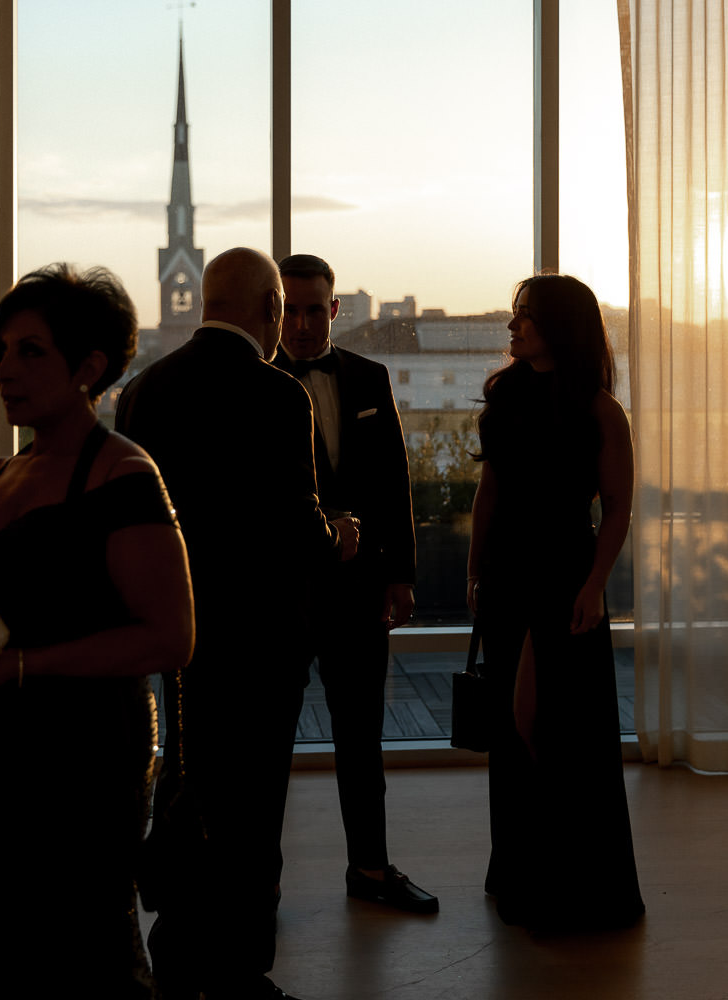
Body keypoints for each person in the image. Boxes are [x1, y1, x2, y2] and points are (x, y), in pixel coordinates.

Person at [0, 264, 194, 998]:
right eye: (2, 348)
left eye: (29, 352)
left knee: (88, 946)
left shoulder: (122, 475)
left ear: (90, 368)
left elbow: (170, 638)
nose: (4, 369)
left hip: (84, 750)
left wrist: (19, 666)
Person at [116, 247, 358, 1000]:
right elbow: (296, 527)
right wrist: (339, 537)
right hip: (261, 639)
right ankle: (240, 970)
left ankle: (177, 949)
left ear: (201, 302)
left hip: (181, 633)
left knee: (186, 787)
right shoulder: (279, 395)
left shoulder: (143, 392)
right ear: (272, 311)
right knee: (252, 810)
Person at [465, 272, 645, 931]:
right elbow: (491, 491)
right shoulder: (506, 396)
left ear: (560, 327)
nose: (513, 327)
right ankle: (524, 871)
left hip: (565, 574)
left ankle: (565, 882)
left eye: (527, 317)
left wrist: (595, 584)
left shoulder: (599, 410)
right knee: (521, 734)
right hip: (512, 571)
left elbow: (620, 507)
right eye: (515, 317)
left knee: (547, 725)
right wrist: (475, 566)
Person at [273, 253, 437, 914]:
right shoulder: (254, 385)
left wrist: (401, 575)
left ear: (335, 309)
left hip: (361, 589)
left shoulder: (372, 377)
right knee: (266, 745)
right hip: (280, 596)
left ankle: (370, 868)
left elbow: (395, 482)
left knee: (362, 737)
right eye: (290, 309)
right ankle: (260, 887)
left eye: (315, 308)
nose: (304, 323)